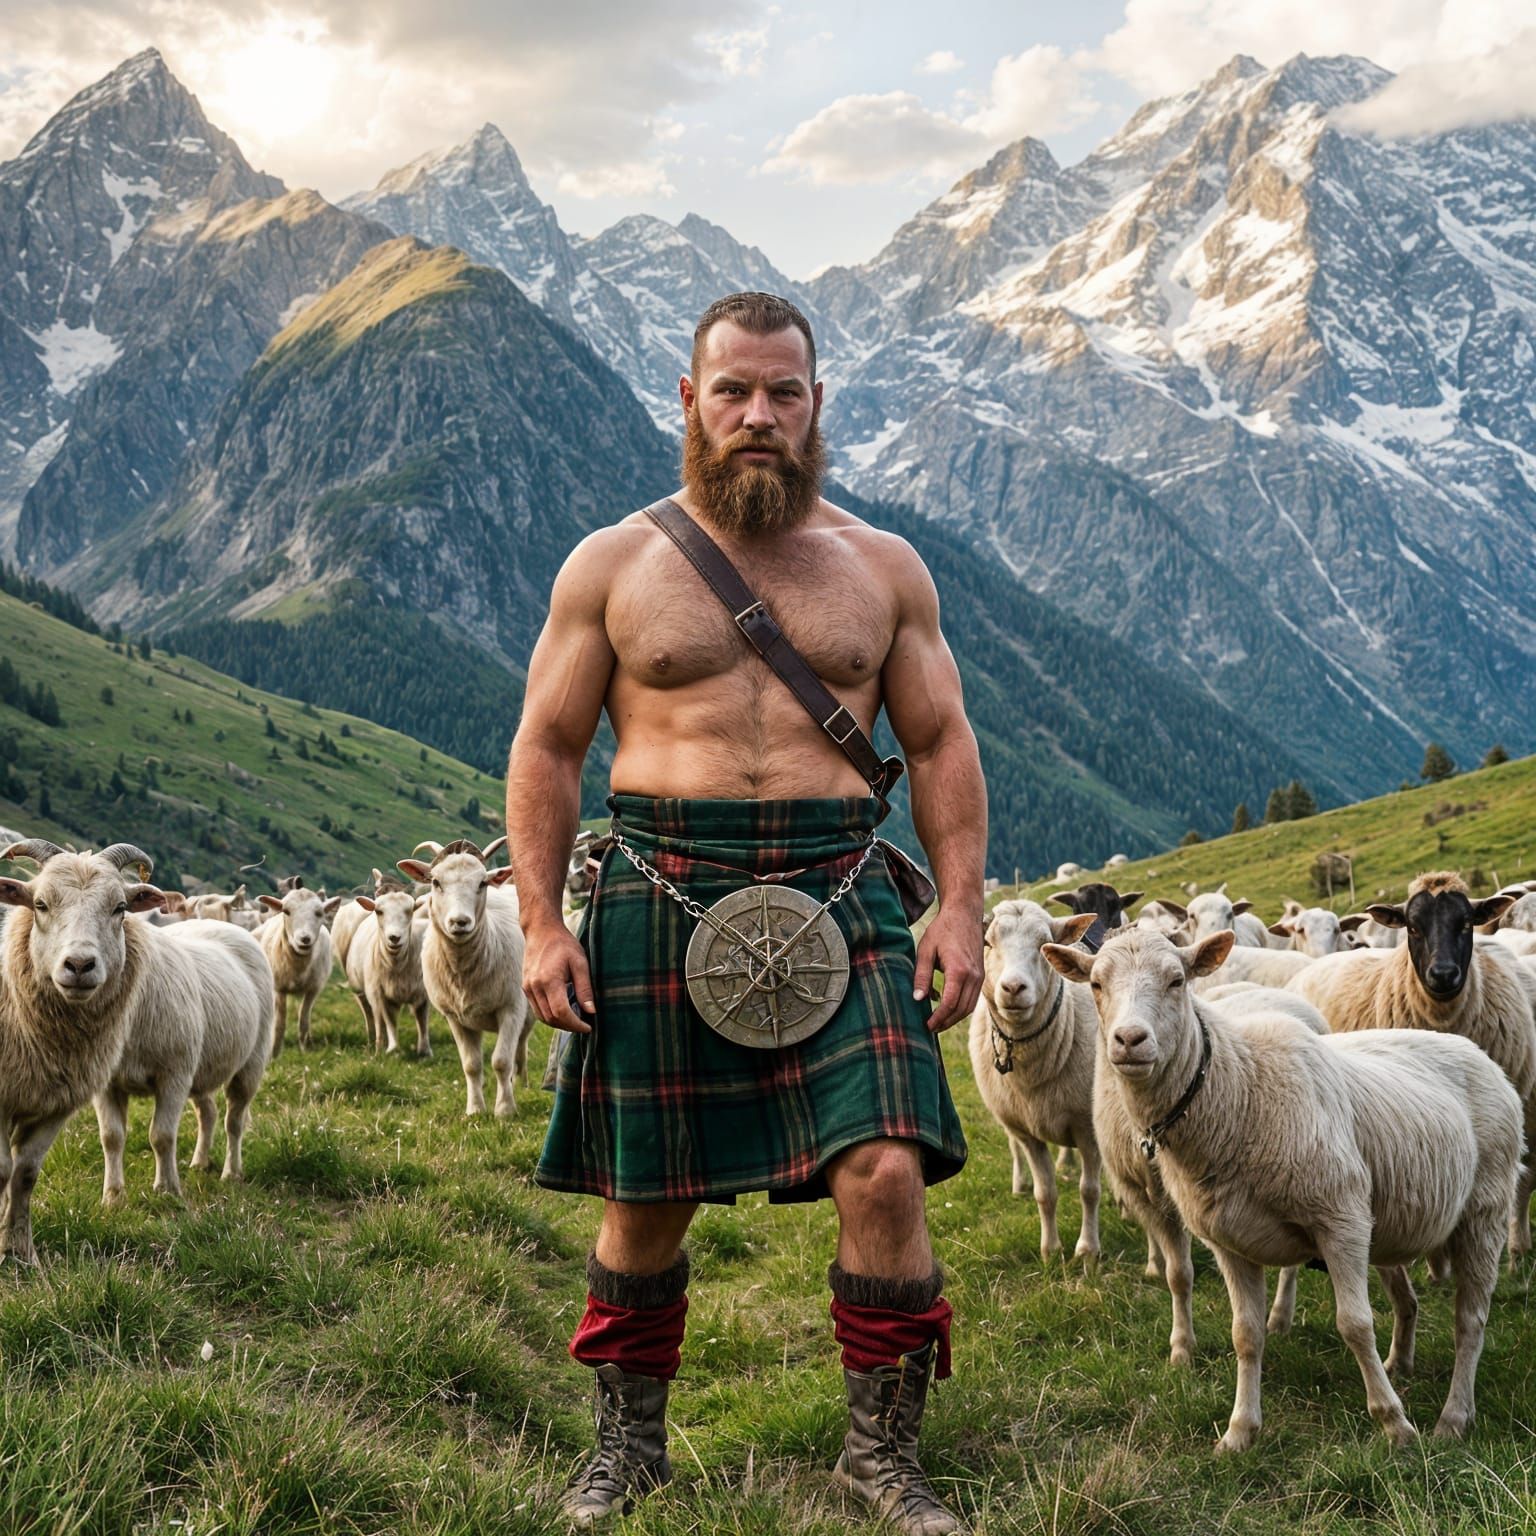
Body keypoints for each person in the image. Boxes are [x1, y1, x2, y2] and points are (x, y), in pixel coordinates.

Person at [506, 291, 986, 1533]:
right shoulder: (612, 566)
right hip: (659, 881)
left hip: (839, 881)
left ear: (817, 404)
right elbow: (549, 748)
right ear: (689, 402)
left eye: (784, 392)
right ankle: (629, 1453)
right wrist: (542, 922)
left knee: (884, 1168)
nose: (759, 416)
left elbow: (937, 745)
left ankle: (880, 1458)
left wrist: (965, 909)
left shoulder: (884, 568)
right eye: (735, 392)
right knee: (647, 1191)